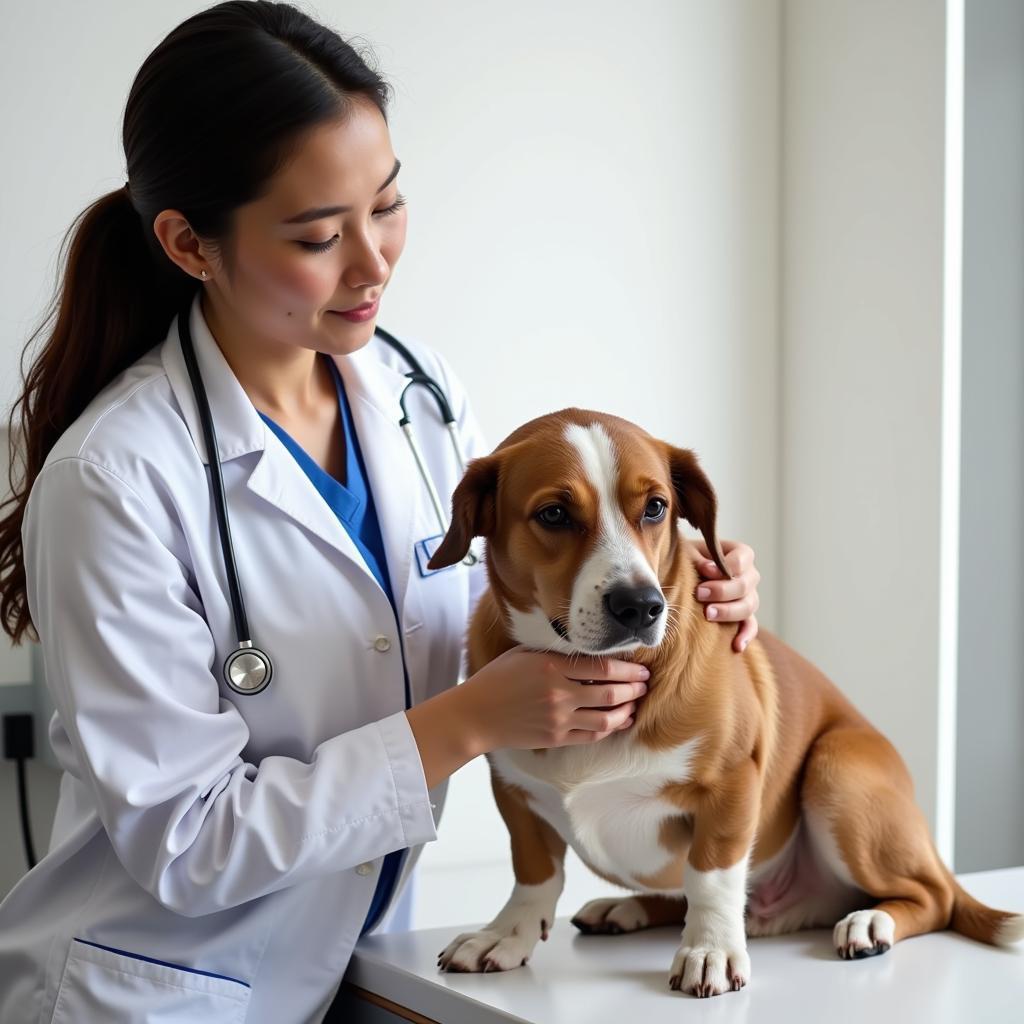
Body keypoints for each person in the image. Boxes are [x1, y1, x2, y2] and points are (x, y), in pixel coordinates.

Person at [0, 3, 761, 1022]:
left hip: (352, 962)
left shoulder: (417, 395)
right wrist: (463, 723)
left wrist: (680, 586)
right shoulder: (115, 479)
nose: (373, 262)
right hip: (152, 988)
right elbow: (185, 842)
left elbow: (515, 596)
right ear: (188, 244)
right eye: (319, 234)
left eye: (388, 204)